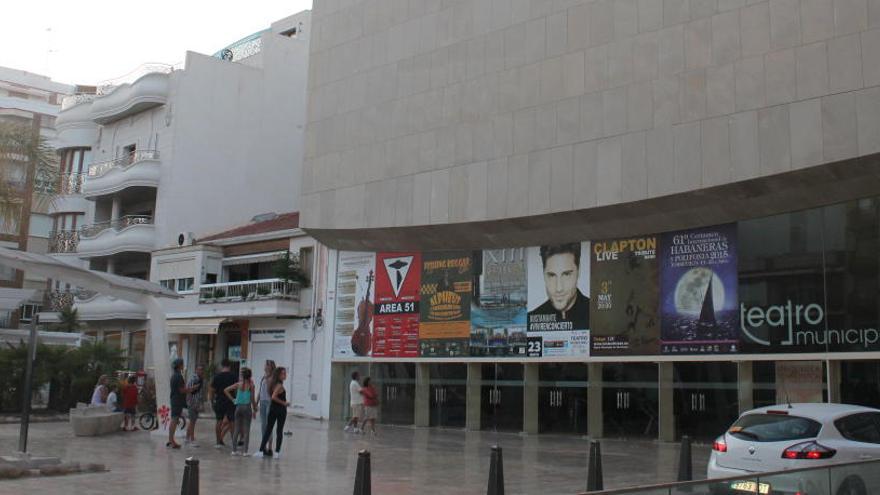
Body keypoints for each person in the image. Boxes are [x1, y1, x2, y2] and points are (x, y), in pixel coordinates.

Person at [528, 243, 590, 330]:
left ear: (578, 271)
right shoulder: (530, 319)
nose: (559, 288)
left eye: (566, 274)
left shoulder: (596, 314)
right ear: (543, 273)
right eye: (552, 275)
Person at [224, 367, 257, 456]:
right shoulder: (251, 386)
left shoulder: (238, 384)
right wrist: (255, 409)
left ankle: (234, 451)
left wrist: (233, 400)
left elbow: (226, 390)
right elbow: (252, 399)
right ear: (250, 376)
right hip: (247, 408)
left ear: (243, 376)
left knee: (237, 429)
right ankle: (245, 452)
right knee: (246, 430)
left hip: (238, 407)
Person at [258, 367, 289, 458]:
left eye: (285, 373)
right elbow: (273, 397)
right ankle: (277, 452)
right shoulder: (279, 386)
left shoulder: (272, 384)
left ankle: (261, 450)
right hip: (280, 410)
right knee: (279, 430)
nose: (285, 375)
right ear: (278, 375)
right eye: (283, 373)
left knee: (268, 430)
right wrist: (284, 403)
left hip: (272, 409)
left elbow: (271, 395)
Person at [210, 359, 237, 448]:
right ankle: (234, 442)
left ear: (222, 365)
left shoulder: (217, 377)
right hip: (230, 401)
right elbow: (236, 389)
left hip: (219, 400)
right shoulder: (233, 376)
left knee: (219, 421)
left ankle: (218, 442)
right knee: (232, 421)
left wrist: (212, 401)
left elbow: (212, 390)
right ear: (229, 366)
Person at [168, 358, 190, 449]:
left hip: (174, 399)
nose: (183, 365)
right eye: (182, 364)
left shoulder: (174, 376)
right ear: (180, 366)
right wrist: (190, 389)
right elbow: (181, 390)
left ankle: (170, 440)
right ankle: (171, 440)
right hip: (177, 400)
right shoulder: (178, 376)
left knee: (174, 419)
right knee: (174, 419)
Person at [185, 365, 205, 447]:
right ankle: (191, 439)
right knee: (192, 421)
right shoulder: (194, 379)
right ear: (196, 370)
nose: (200, 371)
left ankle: (187, 438)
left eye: (202, 370)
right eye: (199, 369)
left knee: (193, 421)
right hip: (192, 402)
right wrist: (194, 387)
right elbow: (188, 389)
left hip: (196, 403)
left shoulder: (200, 379)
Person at [257, 359, 277, 440]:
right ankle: (263, 443)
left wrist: (268, 378)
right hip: (262, 402)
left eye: (266, 365)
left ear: (270, 367)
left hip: (270, 402)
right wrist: (256, 403)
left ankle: (269, 446)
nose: (265, 366)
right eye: (265, 365)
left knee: (269, 424)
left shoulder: (273, 378)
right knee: (263, 424)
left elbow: (271, 391)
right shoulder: (263, 377)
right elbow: (260, 391)